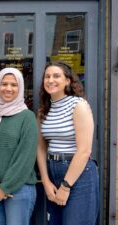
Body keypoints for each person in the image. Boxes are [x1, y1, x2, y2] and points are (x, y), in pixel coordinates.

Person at [37, 61, 99, 225]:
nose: (50, 80)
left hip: (78, 174)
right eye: (47, 76)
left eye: (56, 76)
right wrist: (46, 181)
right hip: (53, 170)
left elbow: (84, 150)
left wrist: (65, 186)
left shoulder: (78, 105)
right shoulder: (44, 110)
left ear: (68, 81)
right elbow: (41, 147)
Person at [0, 67, 38, 225]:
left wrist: (5, 188)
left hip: (19, 190)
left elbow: (25, 158)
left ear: (21, 88)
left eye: (14, 85)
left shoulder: (27, 117)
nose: (8, 88)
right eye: (4, 84)